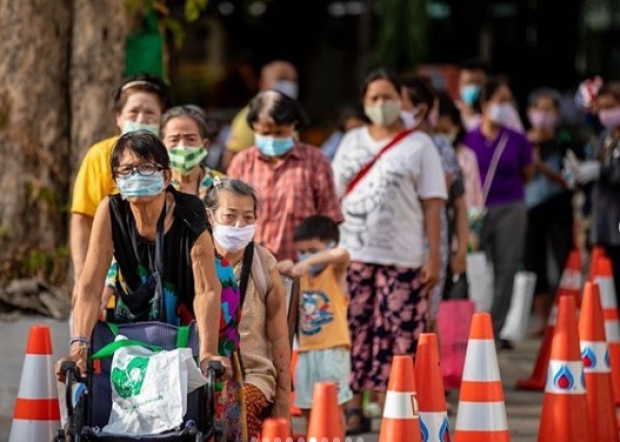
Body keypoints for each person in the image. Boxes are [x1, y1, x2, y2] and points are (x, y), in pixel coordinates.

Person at [56, 131, 229, 383]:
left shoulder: (189, 210)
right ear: (116, 178)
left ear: (166, 175)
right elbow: (90, 285)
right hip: (138, 307)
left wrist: (208, 352)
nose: (135, 176)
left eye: (146, 168)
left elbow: (205, 290)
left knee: (210, 387)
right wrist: (78, 348)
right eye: (126, 170)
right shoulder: (110, 210)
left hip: (198, 311)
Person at [331, 68, 447, 434]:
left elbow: (433, 204)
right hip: (352, 255)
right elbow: (333, 196)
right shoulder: (351, 140)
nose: (381, 104)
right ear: (365, 104)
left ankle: (391, 408)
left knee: (398, 334)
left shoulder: (420, 145)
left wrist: (433, 257)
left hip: (403, 258)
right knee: (350, 332)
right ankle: (352, 408)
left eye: (388, 97)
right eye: (374, 98)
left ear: (402, 100)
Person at [100, 104, 225, 317]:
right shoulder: (147, 187)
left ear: (204, 144)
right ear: (162, 146)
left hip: (212, 282)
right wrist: (103, 296)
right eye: (174, 140)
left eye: (190, 139)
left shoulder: (223, 187)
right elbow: (124, 245)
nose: (182, 146)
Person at [70, 74, 171, 305]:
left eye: (149, 113)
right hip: (105, 290)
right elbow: (82, 219)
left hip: (164, 291)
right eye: (133, 112)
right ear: (118, 117)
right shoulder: (99, 155)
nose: (141, 119)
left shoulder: (171, 156)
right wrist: (82, 278)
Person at [204, 178, 292, 439]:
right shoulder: (197, 258)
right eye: (230, 217)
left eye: (248, 217)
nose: (239, 225)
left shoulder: (264, 265)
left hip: (253, 375)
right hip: (202, 371)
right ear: (210, 216)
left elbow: (279, 337)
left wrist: (284, 398)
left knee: (235, 407)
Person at [226, 89, 343, 262]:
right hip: (252, 267)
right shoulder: (242, 163)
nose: (272, 138)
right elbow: (229, 218)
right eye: (265, 133)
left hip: (302, 268)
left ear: (294, 125)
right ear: (254, 128)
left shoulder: (315, 161)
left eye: (279, 132)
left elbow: (330, 218)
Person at [464, 78, 534, 344]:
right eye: (500, 101)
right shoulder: (470, 138)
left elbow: (526, 172)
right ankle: (471, 325)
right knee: (473, 266)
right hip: (475, 212)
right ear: (484, 104)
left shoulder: (517, 139)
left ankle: (494, 329)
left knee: (506, 267)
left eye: (508, 101)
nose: (505, 107)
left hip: (510, 207)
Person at [399, 74, 469, 326]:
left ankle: (429, 366)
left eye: (400, 102)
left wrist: (461, 250)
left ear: (422, 108)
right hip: (394, 247)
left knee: (428, 319)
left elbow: (459, 204)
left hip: (431, 247)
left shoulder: (440, 147)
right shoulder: (390, 147)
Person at [277, 215, 352, 432]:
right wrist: (286, 267)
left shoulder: (335, 272)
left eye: (313, 250)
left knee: (332, 408)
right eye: (302, 250)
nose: (306, 255)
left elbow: (342, 254)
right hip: (306, 352)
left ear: (329, 245)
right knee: (307, 408)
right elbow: (280, 270)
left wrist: (306, 262)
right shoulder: (302, 277)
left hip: (333, 350)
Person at [524, 87, 575, 334]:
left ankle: (567, 315)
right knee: (534, 264)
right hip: (530, 210)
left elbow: (572, 179)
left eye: (549, 109)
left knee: (564, 259)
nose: (543, 114)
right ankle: (544, 321)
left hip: (559, 209)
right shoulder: (523, 141)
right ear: (529, 112)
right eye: (538, 108)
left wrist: (542, 167)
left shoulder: (565, 142)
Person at [565, 81, 620, 306]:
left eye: (611, 107)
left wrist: (601, 170)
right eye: (602, 108)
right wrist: (577, 174)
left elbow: (606, 170)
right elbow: (592, 168)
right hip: (604, 221)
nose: (606, 113)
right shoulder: (603, 138)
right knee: (608, 280)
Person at [221, 60, 299, 171]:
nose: (287, 86)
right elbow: (230, 160)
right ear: (263, 84)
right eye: (280, 80)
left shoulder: (289, 117)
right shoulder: (251, 116)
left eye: (291, 81)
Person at [435, 90, 484, 211]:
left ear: (457, 125)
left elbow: (476, 196)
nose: (443, 139)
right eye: (438, 132)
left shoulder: (467, 156)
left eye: (446, 132)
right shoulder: (428, 156)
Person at [457, 58, 490, 131]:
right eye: (469, 83)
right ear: (460, 84)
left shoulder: (496, 115)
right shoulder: (450, 113)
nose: (474, 87)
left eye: (478, 83)